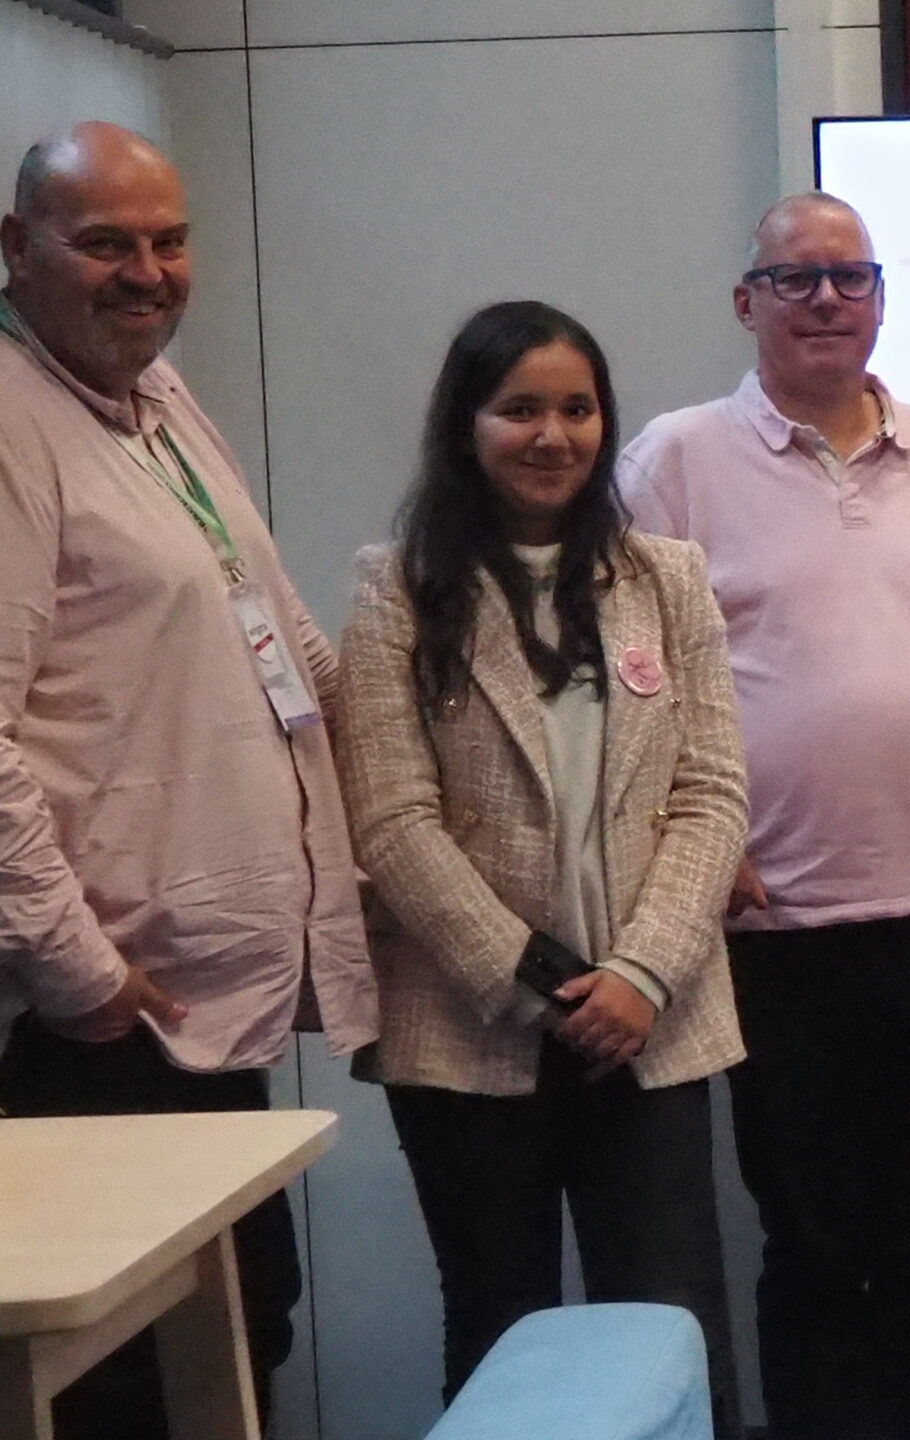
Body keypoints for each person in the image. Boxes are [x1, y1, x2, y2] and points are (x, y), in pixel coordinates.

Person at [620, 192, 910, 1440]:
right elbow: (626, 678)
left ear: (879, 299)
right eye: (795, 280)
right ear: (745, 301)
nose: (824, 301)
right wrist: (696, 847)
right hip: (779, 934)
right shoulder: (675, 460)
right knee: (816, 1250)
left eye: (849, 279)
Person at [0, 122, 377, 1440]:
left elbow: (268, 622)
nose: (146, 272)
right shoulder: (10, 421)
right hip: (94, 1024)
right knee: (122, 1388)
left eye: (167, 240)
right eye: (105, 242)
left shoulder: (157, 400)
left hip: (207, 1003)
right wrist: (76, 972)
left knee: (237, 1328)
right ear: (17, 249)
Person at [336, 299, 747, 1436]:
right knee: (499, 1324)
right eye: (520, 409)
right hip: (471, 1032)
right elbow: (392, 819)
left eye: (576, 408)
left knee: (670, 1325)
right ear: (466, 424)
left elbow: (712, 793)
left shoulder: (665, 578)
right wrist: (542, 978)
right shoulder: (397, 589)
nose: (552, 435)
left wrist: (642, 975)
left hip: (651, 1022)